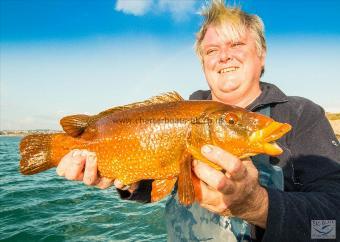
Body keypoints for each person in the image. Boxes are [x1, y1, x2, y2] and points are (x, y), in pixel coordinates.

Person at [56, 1, 340, 241]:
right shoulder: (179, 111)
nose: (223, 56)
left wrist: (257, 205)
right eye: (211, 51)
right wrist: (125, 180)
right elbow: (151, 185)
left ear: (261, 54)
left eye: (237, 44)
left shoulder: (303, 115)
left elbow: (333, 225)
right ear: (203, 62)